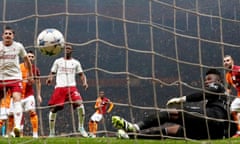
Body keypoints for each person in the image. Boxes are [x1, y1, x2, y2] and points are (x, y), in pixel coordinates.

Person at [112, 69, 235, 140]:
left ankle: (135, 127)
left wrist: (182, 98)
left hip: (214, 120)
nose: (206, 81)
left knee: (174, 113)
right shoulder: (220, 97)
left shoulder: (219, 87)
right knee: (171, 131)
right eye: (205, 79)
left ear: (218, 80)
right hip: (212, 132)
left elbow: (204, 94)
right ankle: (132, 136)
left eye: (209, 79)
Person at [46, 44, 88, 137]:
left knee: (80, 104)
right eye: (66, 48)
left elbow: (81, 74)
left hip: (72, 88)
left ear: (71, 51)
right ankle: (52, 132)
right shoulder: (58, 61)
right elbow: (52, 72)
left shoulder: (76, 62)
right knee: (54, 109)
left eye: (69, 48)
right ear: (63, 50)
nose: (67, 50)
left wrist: (84, 82)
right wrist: (50, 78)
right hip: (60, 88)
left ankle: (81, 127)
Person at [0, 26, 33, 137]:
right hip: (1, 78)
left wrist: (30, 74)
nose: (8, 35)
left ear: (13, 36)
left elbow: (26, 59)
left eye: (10, 33)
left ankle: (17, 127)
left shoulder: (18, 46)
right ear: (3, 36)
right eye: (6, 33)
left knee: (17, 99)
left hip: (15, 78)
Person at [19, 50, 42, 138]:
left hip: (29, 95)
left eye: (32, 57)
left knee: (32, 112)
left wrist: (39, 95)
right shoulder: (19, 67)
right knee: (19, 114)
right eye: (29, 56)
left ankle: (35, 134)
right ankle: (20, 134)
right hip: (18, 95)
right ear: (25, 57)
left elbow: (38, 82)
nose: (30, 58)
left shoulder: (35, 69)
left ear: (34, 58)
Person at [223, 55, 240, 137]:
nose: (226, 62)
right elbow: (229, 87)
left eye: (228, 60)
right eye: (224, 61)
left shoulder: (238, 69)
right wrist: (226, 93)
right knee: (233, 108)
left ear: (232, 61)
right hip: (239, 96)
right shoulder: (228, 75)